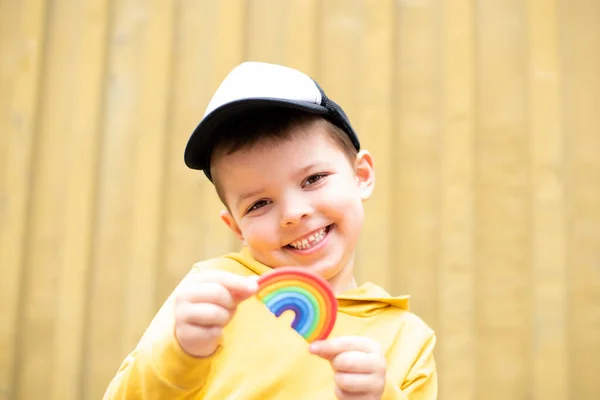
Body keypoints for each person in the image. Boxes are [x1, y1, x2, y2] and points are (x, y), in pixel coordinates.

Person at [103, 62, 437, 399]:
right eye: (259, 204)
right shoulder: (213, 292)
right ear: (236, 227)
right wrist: (181, 351)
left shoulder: (406, 339)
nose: (292, 214)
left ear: (361, 175)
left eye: (313, 179)